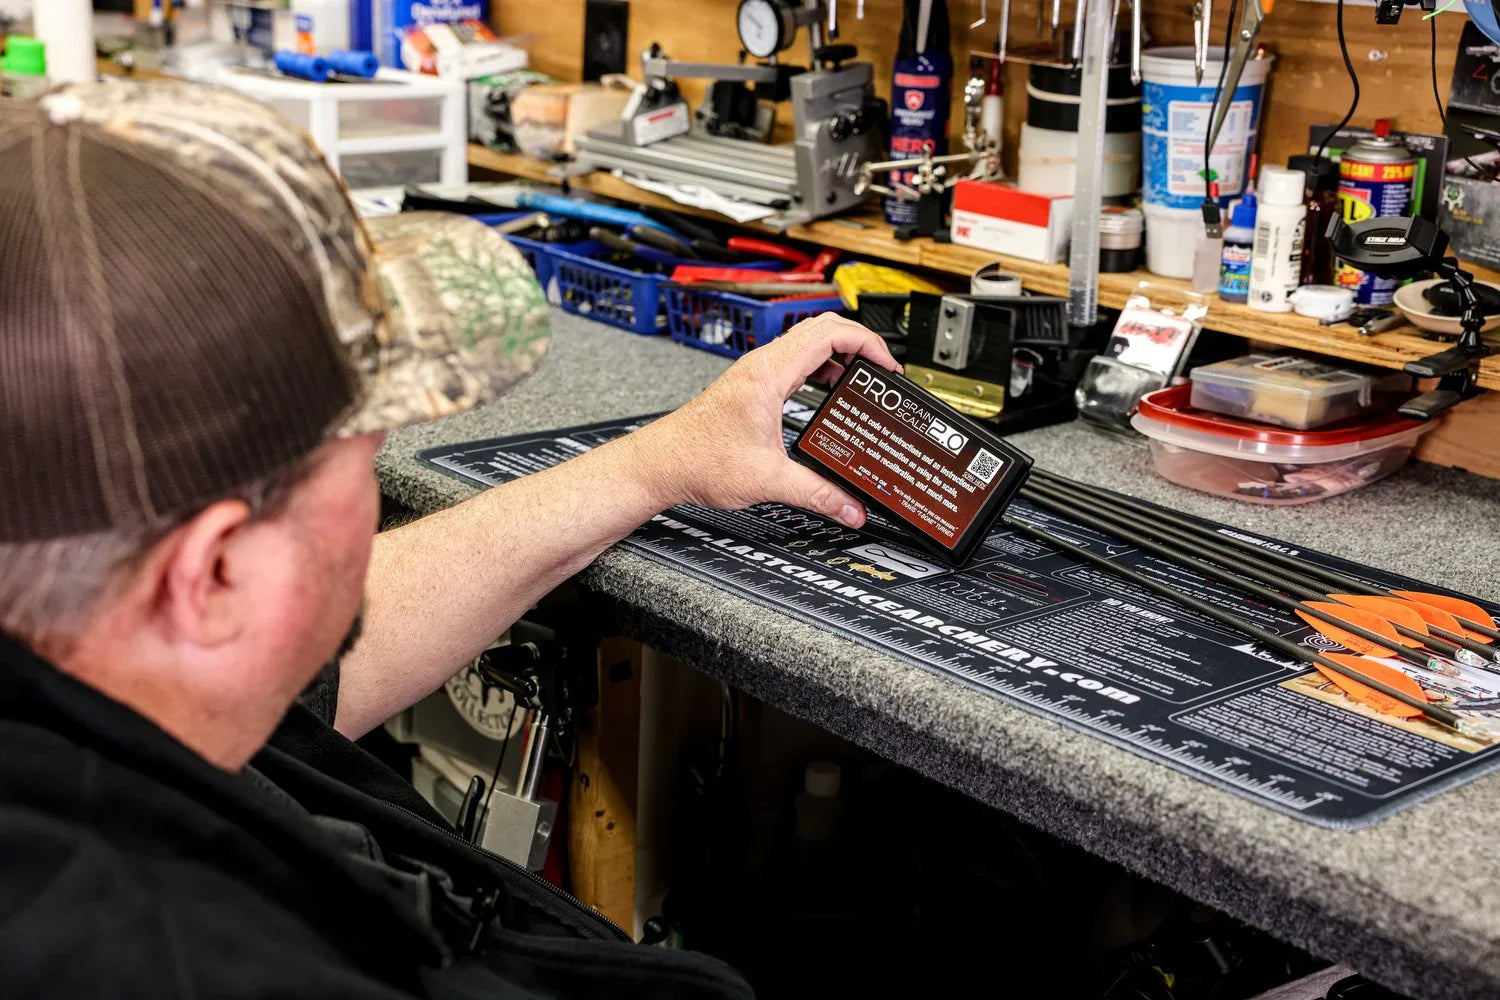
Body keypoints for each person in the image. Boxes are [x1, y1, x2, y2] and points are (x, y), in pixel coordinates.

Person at [0, 83, 898, 997]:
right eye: (363, 446)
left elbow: (315, 650)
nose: (380, 459)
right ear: (215, 574)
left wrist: (659, 463)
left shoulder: (91, 669)